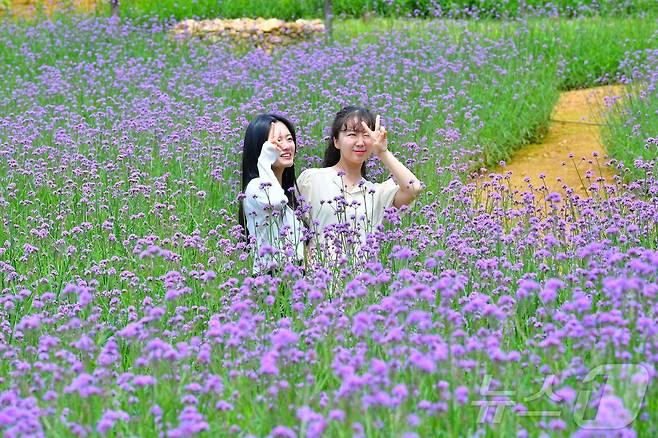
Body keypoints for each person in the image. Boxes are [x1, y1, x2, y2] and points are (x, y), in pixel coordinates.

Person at [297, 105, 423, 257]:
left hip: (360, 280)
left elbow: (414, 188)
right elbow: (293, 229)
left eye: (366, 135)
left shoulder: (377, 193)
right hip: (316, 278)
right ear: (336, 141)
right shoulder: (312, 179)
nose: (360, 142)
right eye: (352, 134)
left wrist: (383, 152)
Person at [239, 114, 305, 274]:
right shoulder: (255, 187)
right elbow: (275, 201)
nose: (287, 146)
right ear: (260, 148)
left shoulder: (287, 192)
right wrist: (264, 161)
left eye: (289, 139)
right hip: (269, 280)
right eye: (277, 141)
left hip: (293, 279)